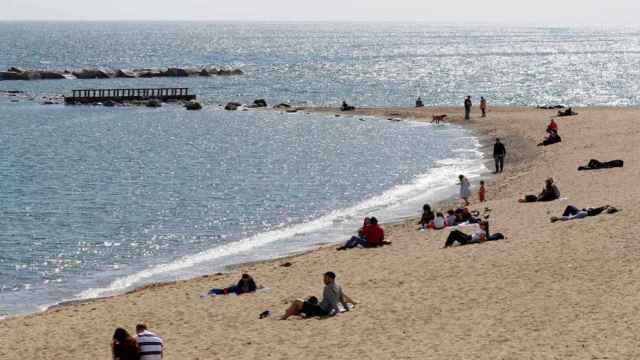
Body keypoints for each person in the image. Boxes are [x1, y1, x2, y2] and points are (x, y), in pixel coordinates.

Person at [281, 272, 357, 319]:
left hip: (320, 310)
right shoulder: (338, 286)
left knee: (297, 301)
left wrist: (337, 312)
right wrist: (346, 308)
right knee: (312, 299)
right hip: (324, 309)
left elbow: (332, 300)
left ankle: (284, 317)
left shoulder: (328, 288)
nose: (323, 280)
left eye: (325, 278)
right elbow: (341, 299)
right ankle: (291, 312)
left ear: (330, 278)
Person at [550, 205, 618, 222]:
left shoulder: (604, 212)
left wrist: (558, 218)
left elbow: (569, 218)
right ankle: (559, 218)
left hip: (584, 213)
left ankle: (558, 218)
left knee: (570, 217)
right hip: (584, 212)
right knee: (570, 207)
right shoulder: (604, 212)